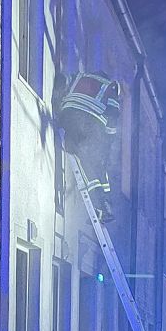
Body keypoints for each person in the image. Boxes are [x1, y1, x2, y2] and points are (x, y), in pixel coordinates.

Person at [57, 72, 122, 223]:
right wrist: (109, 139)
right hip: (89, 123)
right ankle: (101, 205)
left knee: (80, 152)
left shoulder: (80, 77)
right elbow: (113, 114)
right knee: (90, 163)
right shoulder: (111, 87)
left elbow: (62, 86)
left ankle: (103, 205)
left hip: (68, 118)